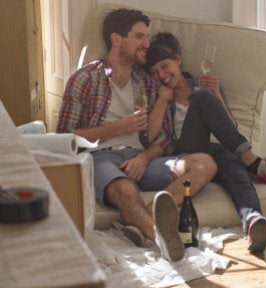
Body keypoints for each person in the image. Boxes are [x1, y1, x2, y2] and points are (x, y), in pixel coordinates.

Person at [56, 9, 217, 262]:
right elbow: (64, 137)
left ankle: (143, 217)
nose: (146, 44)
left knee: (204, 163)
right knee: (126, 190)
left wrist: (144, 158)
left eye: (147, 37)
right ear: (117, 39)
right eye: (140, 37)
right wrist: (118, 128)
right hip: (101, 158)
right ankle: (164, 239)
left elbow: (163, 137)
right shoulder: (85, 79)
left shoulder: (149, 83)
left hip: (143, 159)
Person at [143, 32, 266, 252]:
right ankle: (253, 162)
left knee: (237, 174)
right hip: (186, 154)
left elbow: (231, 128)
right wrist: (163, 100)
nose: (161, 75)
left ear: (178, 60)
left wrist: (217, 97)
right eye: (154, 72)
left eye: (165, 66)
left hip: (219, 149)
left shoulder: (205, 86)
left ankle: (254, 221)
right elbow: (151, 138)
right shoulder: (159, 96)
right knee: (202, 99)